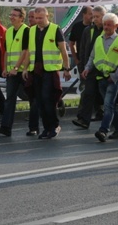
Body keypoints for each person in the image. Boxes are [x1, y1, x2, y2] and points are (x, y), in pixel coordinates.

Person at [22, 7, 71, 139]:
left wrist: (66, 68)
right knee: (39, 101)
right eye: (36, 18)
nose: (38, 21)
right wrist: (25, 68)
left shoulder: (55, 29)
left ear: (47, 16)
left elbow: (63, 50)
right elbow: (29, 52)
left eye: (41, 18)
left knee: (47, 99)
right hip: (35, 71)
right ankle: (46, 128)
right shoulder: (31, 30)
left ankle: (54, 126)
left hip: (50, 70)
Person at [82, 13, 118, 142]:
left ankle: (103, 130)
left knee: (108, 105)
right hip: (100, 77)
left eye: (109, 25)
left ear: (116, 26)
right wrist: (87, 68)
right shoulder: (99, 39)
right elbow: (92, 56)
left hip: (113, 78)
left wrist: (116, 75)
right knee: (110, 105)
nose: (106, 27)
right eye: (105, 24)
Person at [0, 7, 29, 137]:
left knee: (33, 98)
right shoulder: (9, 31)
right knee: (9, 99)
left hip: (23, 71)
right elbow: (7, 52)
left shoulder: (26, 30)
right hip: (12, 73)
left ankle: (35, 126)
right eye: (11, 15)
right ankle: (6, 127)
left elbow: (25, 51)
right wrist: (5, 68)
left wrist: (16, 67)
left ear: (22, 17)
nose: (11, 17)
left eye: (15, 15)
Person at [73, 6, 106, 129]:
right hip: (90, 68)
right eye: (93, 16)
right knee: (88, 93)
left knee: (106, 97)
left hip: (104, 69)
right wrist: (82, 67)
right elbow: (82, 50)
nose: (94, 19)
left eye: (97, 16)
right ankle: (84, 120)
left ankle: (113, 122)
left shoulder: (108, 30)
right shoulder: (88, 30)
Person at [69, 6, 93, 70]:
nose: (92, 16)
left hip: (94, 61)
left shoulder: (95, 27)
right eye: (90, 14)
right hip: (81, 61)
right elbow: (71, 44)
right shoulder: (76, 26)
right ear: (84, 14)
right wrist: (76, 59)